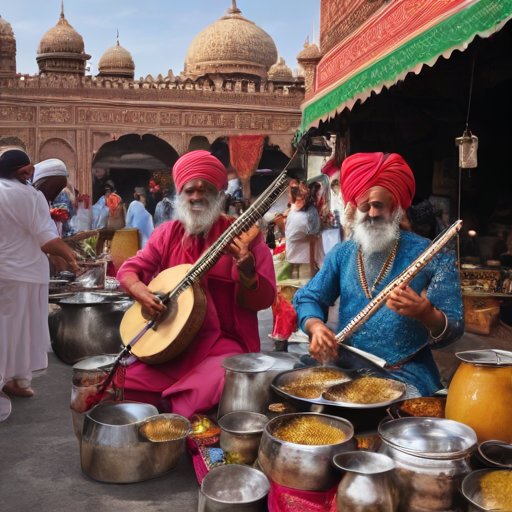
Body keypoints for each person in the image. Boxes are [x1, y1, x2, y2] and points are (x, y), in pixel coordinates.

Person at [117, 150, 276, 418]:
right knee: (119, 384)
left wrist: (246, 269)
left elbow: (262, 301)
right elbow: (130, 270)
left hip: (224, 346)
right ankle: (169, 403)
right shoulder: (166, 234)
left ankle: (174, 406)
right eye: (189, 191)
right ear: (180, 196)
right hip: (174, 343)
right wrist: (140, 291)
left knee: (193, 398)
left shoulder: (245, 238)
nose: (196, 197)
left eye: (205, 190)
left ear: (218, 195)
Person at [293, 152, 464, 396]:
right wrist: (316, 327)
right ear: (354, 209)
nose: (372, 214)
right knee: (296, 392)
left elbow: (454, 327)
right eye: (365, 206)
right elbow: (308, 297)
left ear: (395, 208)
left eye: (379, 205)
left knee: (397, 416)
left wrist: (425, 313)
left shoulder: (430, 253)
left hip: (405, 370)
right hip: (347, 366)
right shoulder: (342, 253)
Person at [0, 148, 78, 420]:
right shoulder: (30, 196)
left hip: (10, 272)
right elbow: (46, 239)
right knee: (15, 330)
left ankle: (14, 381)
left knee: (9, 328)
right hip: (21, 276)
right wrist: (71, 257)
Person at [285, 180, 325, 280]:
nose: (298, 201)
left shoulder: (306, 213)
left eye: (301, 199)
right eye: (296, 199)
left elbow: (312, 240)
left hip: (300, 260)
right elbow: (311, 240)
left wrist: (312, 267)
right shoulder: (296, 211)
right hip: (298, 260)